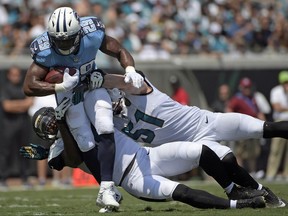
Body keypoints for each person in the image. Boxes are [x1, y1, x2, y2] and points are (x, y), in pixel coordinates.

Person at [87, 70, 287, 207]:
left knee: (266, 128)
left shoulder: (139, 90)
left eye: (110, 96)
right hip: (194, 143)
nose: (110, 102)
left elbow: (124, 81)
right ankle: (262, 191)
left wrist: (99, 77)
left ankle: (257, 191)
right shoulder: (115, 124)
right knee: (228, 161)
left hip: (206, 121)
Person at [20, 104, 267, 212]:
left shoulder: (81, 118)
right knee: (181, 192)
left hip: (146, 155)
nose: (53, 122)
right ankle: (237, 206)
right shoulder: (58, 149)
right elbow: (71, 159)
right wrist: (61, 128)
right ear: (47, 132)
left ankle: (232, 189)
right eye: (48, 124)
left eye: (52, 118)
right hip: (132, 179)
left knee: (200, 151)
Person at [22, 6, 143, 208]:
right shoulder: (44, 49)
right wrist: (59, 85)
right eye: (59, 40)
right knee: (85, 142)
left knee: (104, 124)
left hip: (92, 82)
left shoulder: (92, 32)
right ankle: (106, 188)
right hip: (67, 92)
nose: (63, 44)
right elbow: (29, 86)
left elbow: (119, 49)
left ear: (79, 33)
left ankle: (106, 188)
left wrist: (129, 68)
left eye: (68, 39)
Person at [0, 66, 34, 189]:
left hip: (24, 122)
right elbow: (7, 106)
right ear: (8, 75)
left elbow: (30, 102)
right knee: (5, 152)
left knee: (26, 151)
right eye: (13, 74)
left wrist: (17, 105)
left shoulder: (24, 87)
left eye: (17, 74)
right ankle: (3, 179)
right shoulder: (4, 88)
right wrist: (22, 105)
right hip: (8, 123)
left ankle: (25, 178)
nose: (16, 77)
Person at [226, 77, 266, 175]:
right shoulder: (237, 99)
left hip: (253, 128)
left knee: (253, 152)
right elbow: (229, 109)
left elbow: (258, 112)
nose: (247, 89)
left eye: (248, 87)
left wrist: (264, 123)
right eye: (245, 87)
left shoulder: (253, 98)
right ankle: (240, 172)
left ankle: (252, 171)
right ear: (241, 88)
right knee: (240, 152)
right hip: (241, 128)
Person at [266, 71, 288, 181]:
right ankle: (271, 174)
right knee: (276, 150)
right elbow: (277, 107)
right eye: (285, 82)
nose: (287, 84)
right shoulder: (276, 91)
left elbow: (281, 107)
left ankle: (286, 174)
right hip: (280, 122)